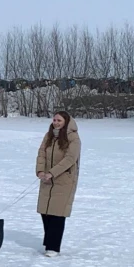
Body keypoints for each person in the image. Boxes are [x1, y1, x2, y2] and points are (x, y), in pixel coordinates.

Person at [35, 110, 81, 257]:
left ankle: (53, 247)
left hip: (64, 179)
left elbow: (70, 159)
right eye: (54, 120)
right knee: (45, 210)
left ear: (66, 122)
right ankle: (49, 241)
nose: (56, 123)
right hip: (47, 179)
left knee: (57, 213)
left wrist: (53, 172)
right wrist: (40, 171)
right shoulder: (49, 135)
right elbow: (41, 153)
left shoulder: (73, 138)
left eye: (59, 121)